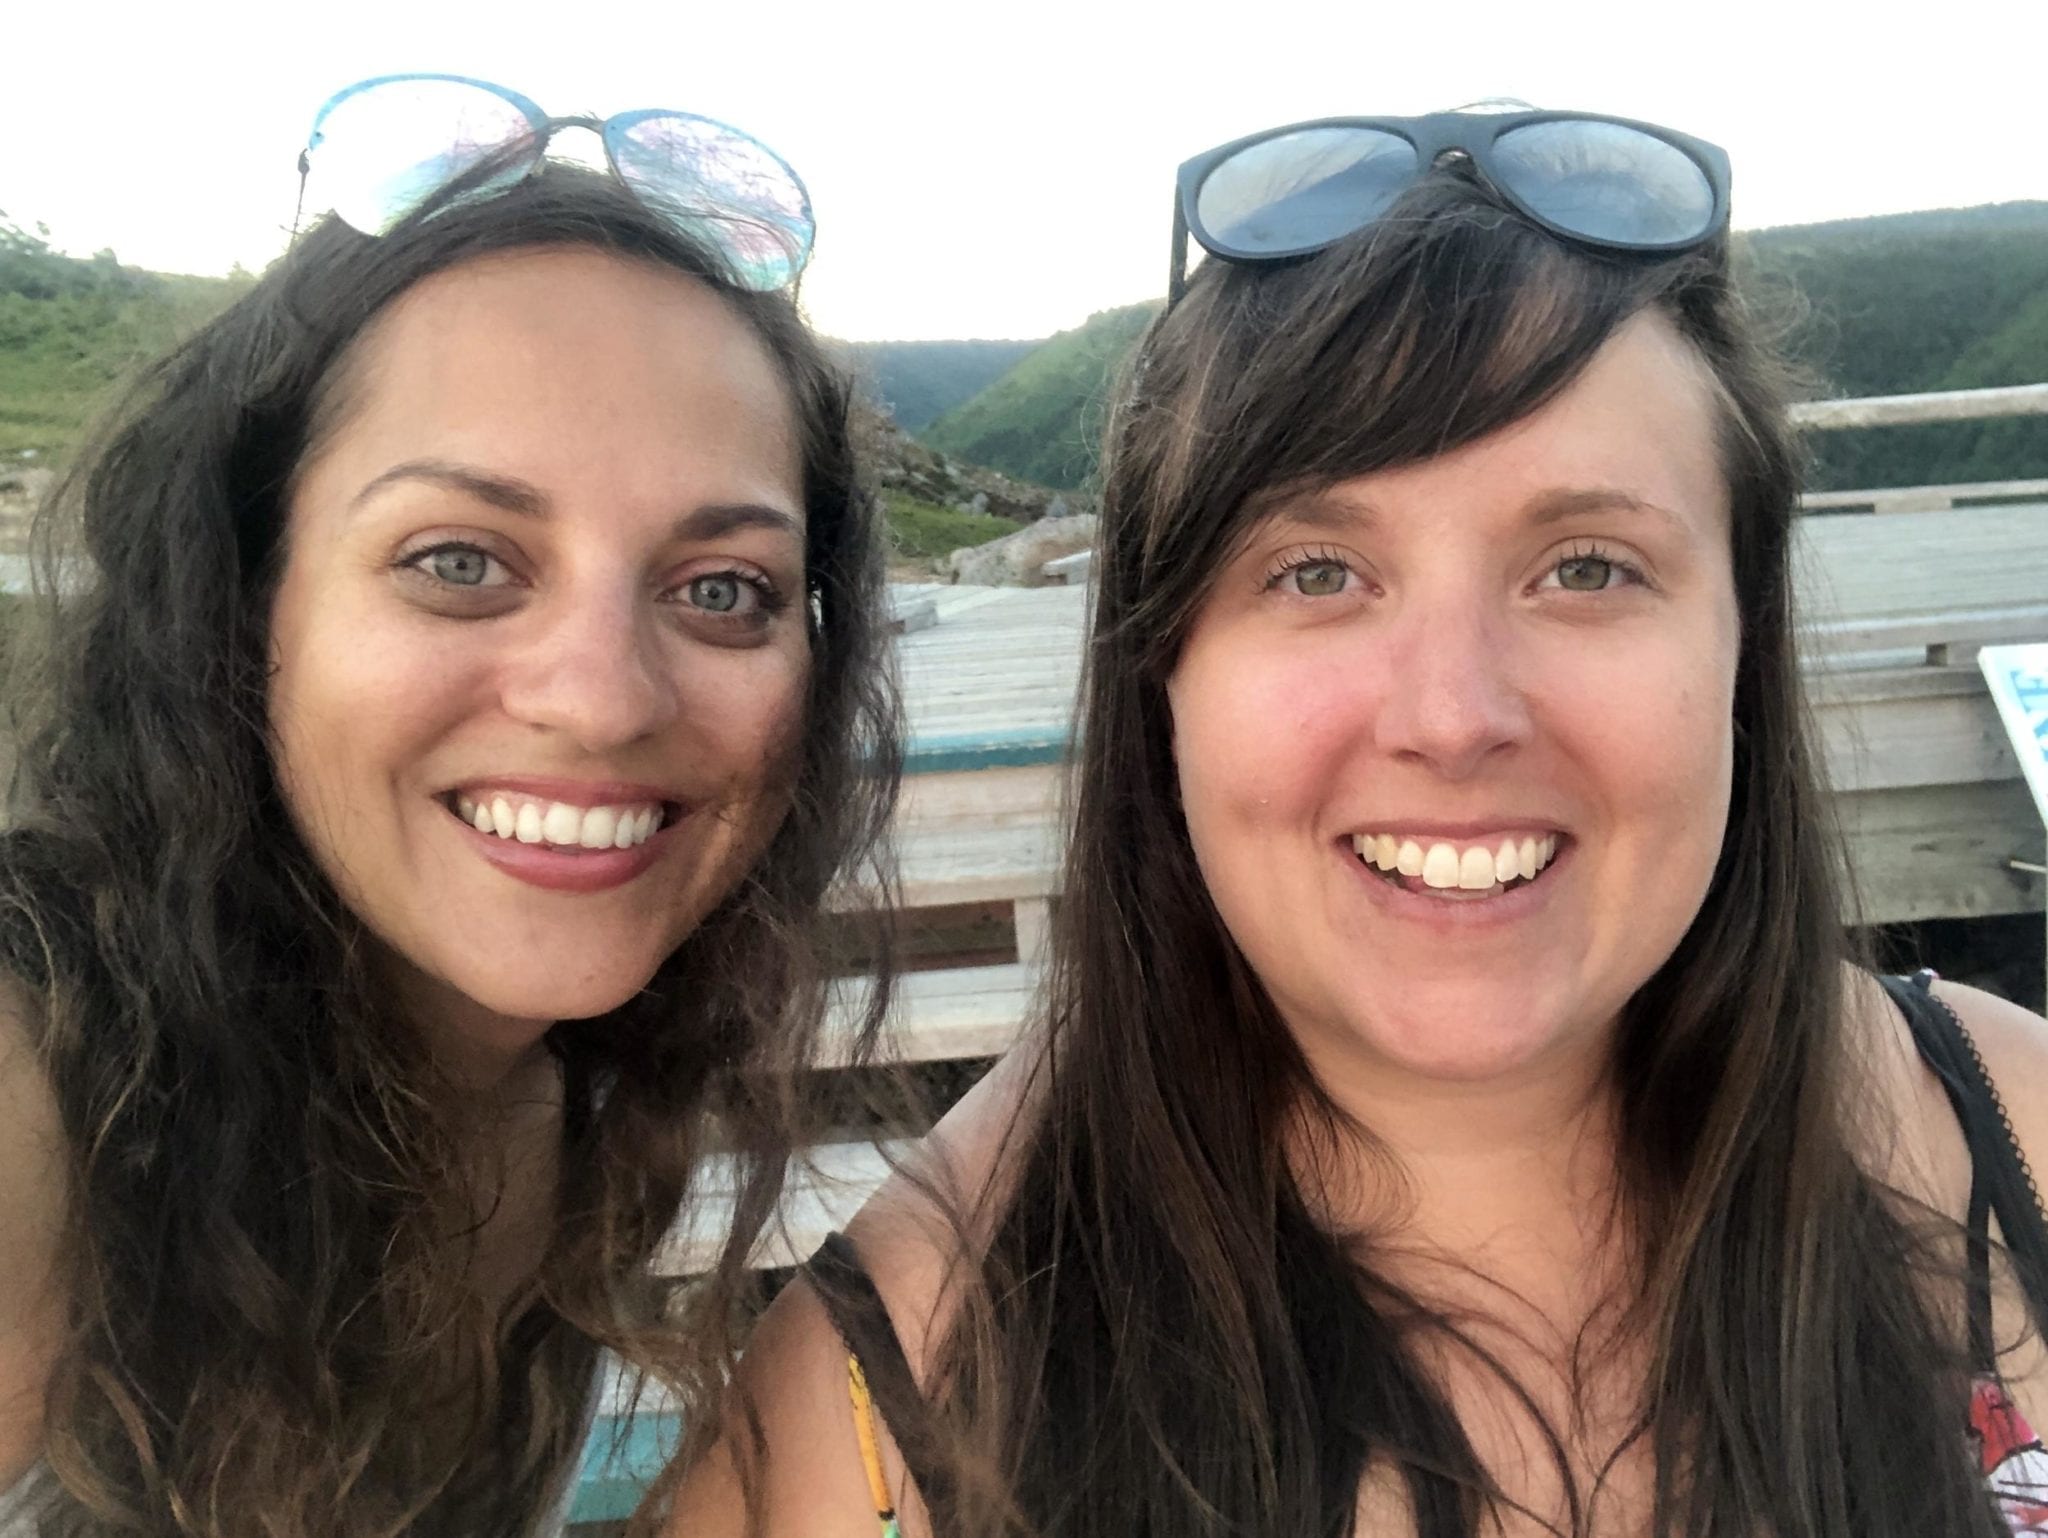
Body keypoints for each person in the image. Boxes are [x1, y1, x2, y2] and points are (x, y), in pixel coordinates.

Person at [675, 108, 2048, 1537]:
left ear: (1743, 651)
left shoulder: (2020, 1140)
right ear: (1165, 680)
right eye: (1318, 570)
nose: (1453, 714)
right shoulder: (879, 1408)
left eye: (1587, 564)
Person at [0, 74, 899, 1538]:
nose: (603, 698)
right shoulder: (52, 1096)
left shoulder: (542, 1105)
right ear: (240, 598)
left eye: (722, 588)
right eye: (461, 560)